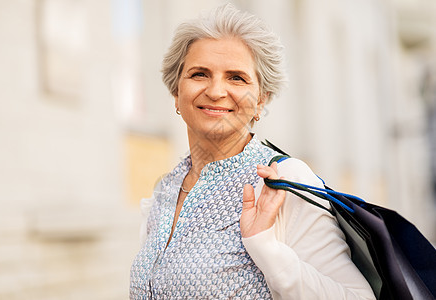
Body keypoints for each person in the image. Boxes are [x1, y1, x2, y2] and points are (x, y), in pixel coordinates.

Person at [130, 4, 375, 299]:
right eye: (199, 74)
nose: (216, 91)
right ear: (176, 93)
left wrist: (265, 246)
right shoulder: (166, 189)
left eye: (236, 77)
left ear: (261, 100)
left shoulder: (284, 180)